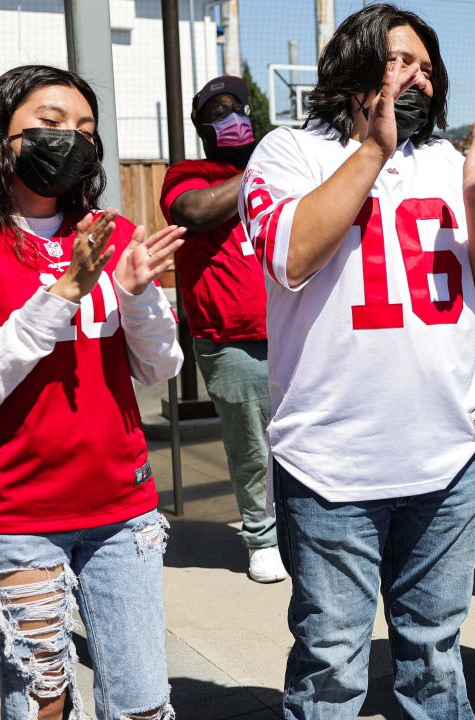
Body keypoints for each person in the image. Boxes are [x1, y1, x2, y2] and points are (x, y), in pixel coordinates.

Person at [238, 5, 475, 717]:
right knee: (332, 663)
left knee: (434, 655)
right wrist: (371, 149)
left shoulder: (450, 162)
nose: (420, 80)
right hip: (332, 462)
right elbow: (290, 256)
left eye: (429, 69)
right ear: (355, 66)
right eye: (402, 62)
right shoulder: (288, 151)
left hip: (447, 458)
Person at [0, 64, 185, 720]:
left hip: (122, 512)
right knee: (42, 707)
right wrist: (64, 293)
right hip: (17, 519)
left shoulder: (112, 235)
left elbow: (159, 368)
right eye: (49, 125)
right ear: (1, 137)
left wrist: (135, 295)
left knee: (142, 706)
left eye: (85, 129)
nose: (70, 139)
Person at [158, 75, 285, 584]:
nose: (230, 118)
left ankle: (308, 532)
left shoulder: (281, 164)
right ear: (201, 126)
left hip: (298, 330)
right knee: (253, 446)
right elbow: (196, 211)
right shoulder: (188, 174)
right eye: (217, 112)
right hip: (231, 338)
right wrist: (262, 168)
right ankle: (263, 537)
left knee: (309, 440)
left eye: (237, 107)